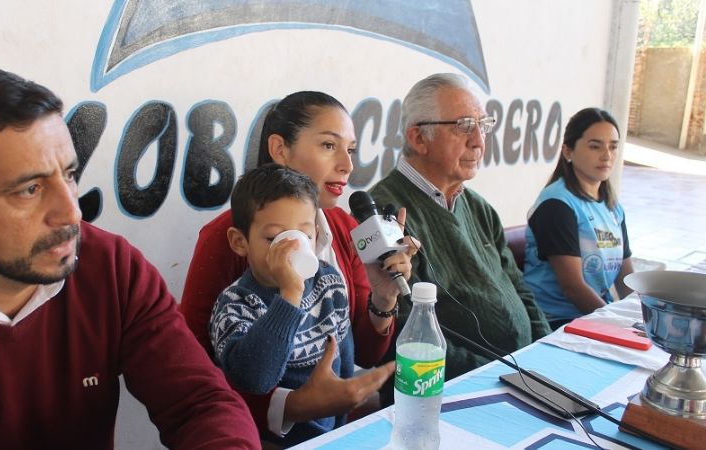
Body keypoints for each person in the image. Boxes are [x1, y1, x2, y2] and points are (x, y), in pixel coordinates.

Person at [0, 66, 260, 450]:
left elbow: (200, 403)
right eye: (29, 189)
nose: (72, 213)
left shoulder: (109, 266)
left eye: (70, 175)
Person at [180, 91, 417, 440]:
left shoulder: (345, 228)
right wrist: (292, 406)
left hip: (334, 433)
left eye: (350, 150)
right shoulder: (227, 238)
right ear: (280, 149)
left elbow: (364, 354)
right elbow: (191, 368)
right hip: (253, 436)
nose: (347, 166)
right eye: (328, 146)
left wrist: (383, 300)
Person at [368, 73, 551, 404]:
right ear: (419, 138)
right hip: (450, 396)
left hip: (520, 379)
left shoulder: (478, 207)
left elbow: (519, 288)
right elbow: (405, 333)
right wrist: (499, 377)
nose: (479, 141)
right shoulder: (383, 213)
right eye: (464, 126)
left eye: (483, 125)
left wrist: (545, 354)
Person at [210, 164, 354, 445]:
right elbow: (256, 380)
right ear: (240, 242)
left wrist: (341, 427)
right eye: (274, 238)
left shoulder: (329, 282)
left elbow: (343, 361)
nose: (294, 249)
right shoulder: (235, 305)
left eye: (305, 236)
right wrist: (290, 295)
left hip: (332, 436)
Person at [523, 107, 634, 329]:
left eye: (613, 146)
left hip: (593, 316)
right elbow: (573, 288)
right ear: (568, 151)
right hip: (555, 321)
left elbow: (625, 278)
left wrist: (642, 317)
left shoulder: (612, 207)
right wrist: (619, 326)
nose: (607, 155)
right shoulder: (557, 205)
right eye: (595, 146)